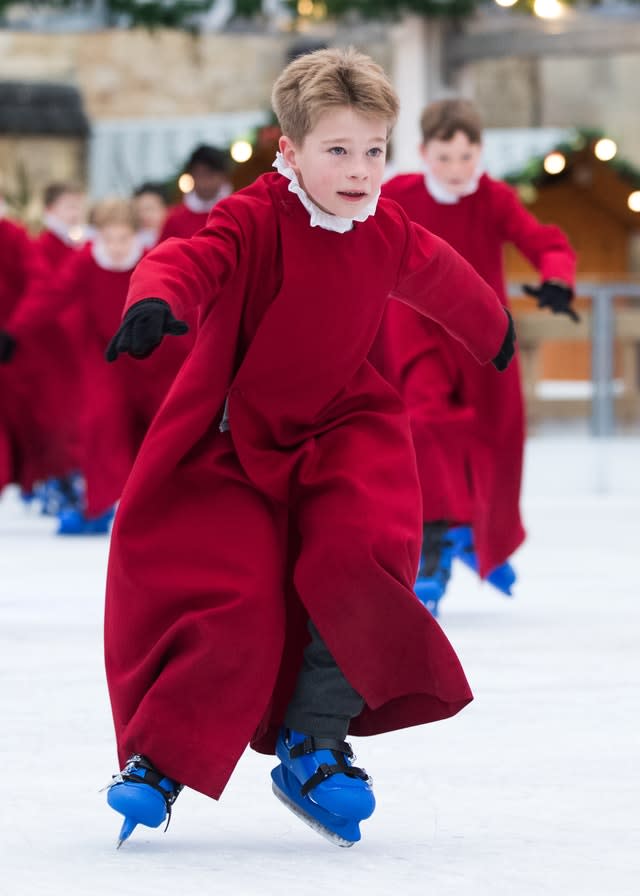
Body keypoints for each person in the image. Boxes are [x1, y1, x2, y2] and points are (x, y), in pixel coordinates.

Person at [103, 48, 514, 849]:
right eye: (338, 151)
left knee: (358, 556)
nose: (360, 171)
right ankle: (160, 757)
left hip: (339, 427)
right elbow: (194, 257)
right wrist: (157, 296)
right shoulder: (255, 216)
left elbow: (441, 274)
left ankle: (313, 741)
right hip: (235, 433)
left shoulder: (385, 225)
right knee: (236, 595)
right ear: (288, 150)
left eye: (374, 151)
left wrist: (490, 330)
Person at [374, 99, 577, 614]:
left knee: (498, 437)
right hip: (416, 330)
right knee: (426, 425)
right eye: (445, 158)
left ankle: (473, 531)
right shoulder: (397, 195)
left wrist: (557, 278)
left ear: (480, 153)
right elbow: (351, 233)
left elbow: (545, 241)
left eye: (467, 157)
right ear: (423, 154)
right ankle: (437, 540)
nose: (457, 169)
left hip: (485, 335)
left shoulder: (493, 198)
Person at [159, 144, 232, 240]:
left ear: (223, 176)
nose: (204, 182)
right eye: (199, 174)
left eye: (209, 174)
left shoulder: (234, 212)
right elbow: (164, 252)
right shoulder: (175, 218)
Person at [132, 182, 170, 249]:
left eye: (150, 208)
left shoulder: (178, 232)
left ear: (164, 207)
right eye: (139, 211)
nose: (144, 215)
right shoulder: (135, 244)